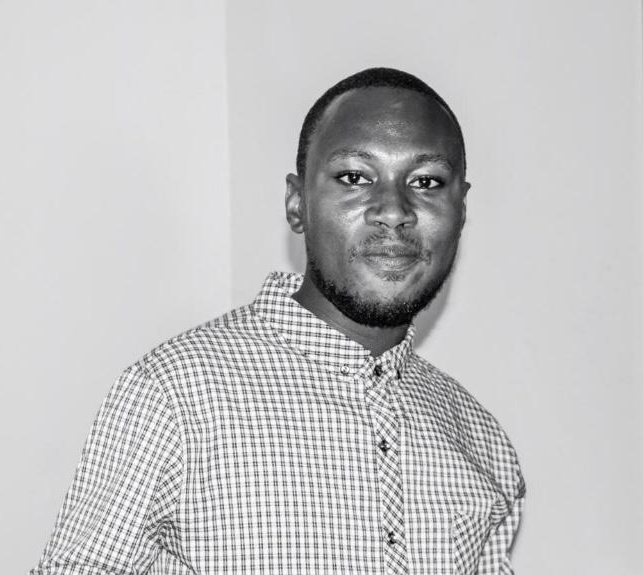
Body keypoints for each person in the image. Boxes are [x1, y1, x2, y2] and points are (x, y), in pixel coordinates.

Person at [29, 67, 524, 575]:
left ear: (460, 209)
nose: (394, 211)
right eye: (354, 177)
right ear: (296, 203)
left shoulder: (482, 440)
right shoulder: (173, 396)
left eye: (426, 181)